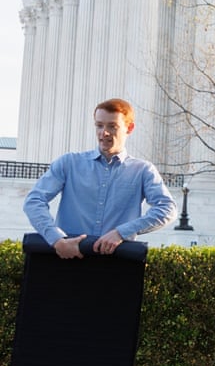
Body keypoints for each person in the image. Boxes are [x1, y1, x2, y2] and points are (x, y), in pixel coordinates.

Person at [24, 98, 177, 257]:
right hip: (67, 258)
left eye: (112, 126)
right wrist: (56, 238)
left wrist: (121, 232)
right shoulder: (69, 163)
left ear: (129, 128)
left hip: (116, 264)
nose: (103, 132)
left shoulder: (143, 170)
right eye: (99, 125)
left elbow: (167, 209)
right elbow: (34, 200)